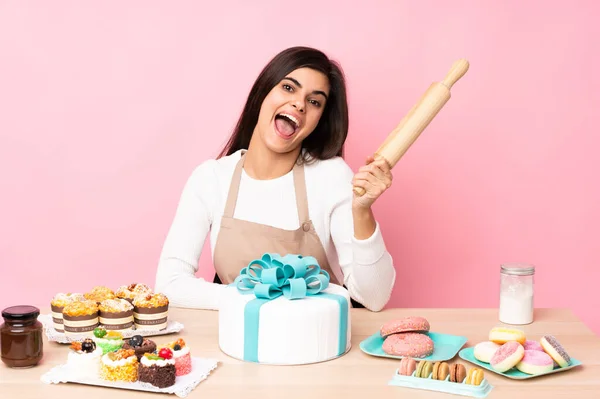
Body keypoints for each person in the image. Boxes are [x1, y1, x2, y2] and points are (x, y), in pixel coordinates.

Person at [154, 46, 396, 311]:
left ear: (319, 121)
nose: (299, 104)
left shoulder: (331, 176)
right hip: (239, 344)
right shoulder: (211, 178)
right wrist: (254, 301)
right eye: (289, 88)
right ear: (263, 92)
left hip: (318, 346)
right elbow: (170, 283)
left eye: (314, 102)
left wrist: (362, 211)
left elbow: (374, 297)